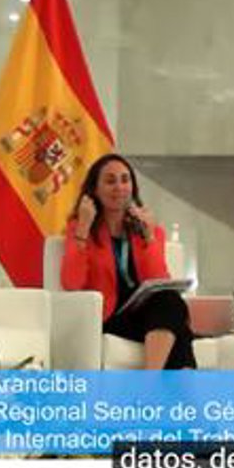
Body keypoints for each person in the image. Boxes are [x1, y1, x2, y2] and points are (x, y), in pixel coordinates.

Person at [61, 153, 196, 369]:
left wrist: (149, 236)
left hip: (144, 315)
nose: (119, 187)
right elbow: (71, 282)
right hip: (109, 317)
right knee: (178, 323)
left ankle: (149, 382)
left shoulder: (149, 229)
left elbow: (158, 280)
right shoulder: (80, 229)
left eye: (125, 180)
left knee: (170, 302)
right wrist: (83, 228)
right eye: (110, 181)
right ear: (94, 190)